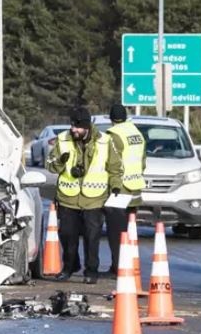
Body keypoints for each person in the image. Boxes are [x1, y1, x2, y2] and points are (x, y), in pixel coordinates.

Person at [46, 107, 122, 284]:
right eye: (72, 125)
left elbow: (115, 168)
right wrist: (60, 162)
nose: (74, 129)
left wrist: (116, 186)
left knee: (92, 236)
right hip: (68, 197)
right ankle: (69, 267)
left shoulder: (105, 141)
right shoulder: (62, 139)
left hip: (94, 198)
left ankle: (91, 271)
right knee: (67, 235)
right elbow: (50, 165)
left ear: (87, 127)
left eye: (78, 127)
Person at [104, 103, 146, 277]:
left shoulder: (114, 135)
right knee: (129, 231)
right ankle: (128, 266)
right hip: (135, 188)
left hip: (119, 190)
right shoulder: (136, 133)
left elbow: (110, 163)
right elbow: (142, 161)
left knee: (116, 233)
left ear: (111, 118)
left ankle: (117, 267)